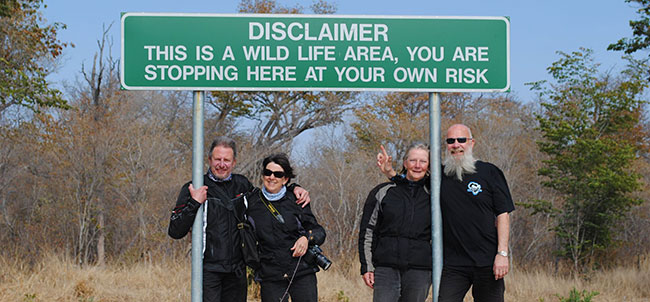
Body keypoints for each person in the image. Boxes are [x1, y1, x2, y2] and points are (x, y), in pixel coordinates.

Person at [376, 124, 515, 302]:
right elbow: (412, 180)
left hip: (487, 262)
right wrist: (390, 172)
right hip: (452, 265)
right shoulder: (438, 176)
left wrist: (501, 254)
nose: (456, 145)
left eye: (461, 140)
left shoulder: (490, 172)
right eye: (450, 141)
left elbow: (503, 214)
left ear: (471, 143)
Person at [167, 137, 310, 302]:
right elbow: (175, 231)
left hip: (237, 272)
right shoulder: (194, 187)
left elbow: (269, 195)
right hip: (208, 272)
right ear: (209, 160)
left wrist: (293, 187)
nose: (222, 164)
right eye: (217, 159)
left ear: (234, 162)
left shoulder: (242, 185)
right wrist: (194, 203)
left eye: (226, 160)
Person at [245, 153, 326, 302]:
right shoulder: (251, 203)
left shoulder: (297, 199)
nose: (272, 177)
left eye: (278, 174)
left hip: (301, 272)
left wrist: (306, 239)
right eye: (268, 173)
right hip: (270, 275)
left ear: (285, 179)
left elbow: (319, 231)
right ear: (263, 175)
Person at [359, 143, 433, 302]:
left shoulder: (434, 194)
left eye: (423, 161)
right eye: (413, 160)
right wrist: (367, 267)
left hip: (420, 270)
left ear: (429, 165)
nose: (417, 165)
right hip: (386, 268)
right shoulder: (382, 191)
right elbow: (368, 232)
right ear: (405, 163)